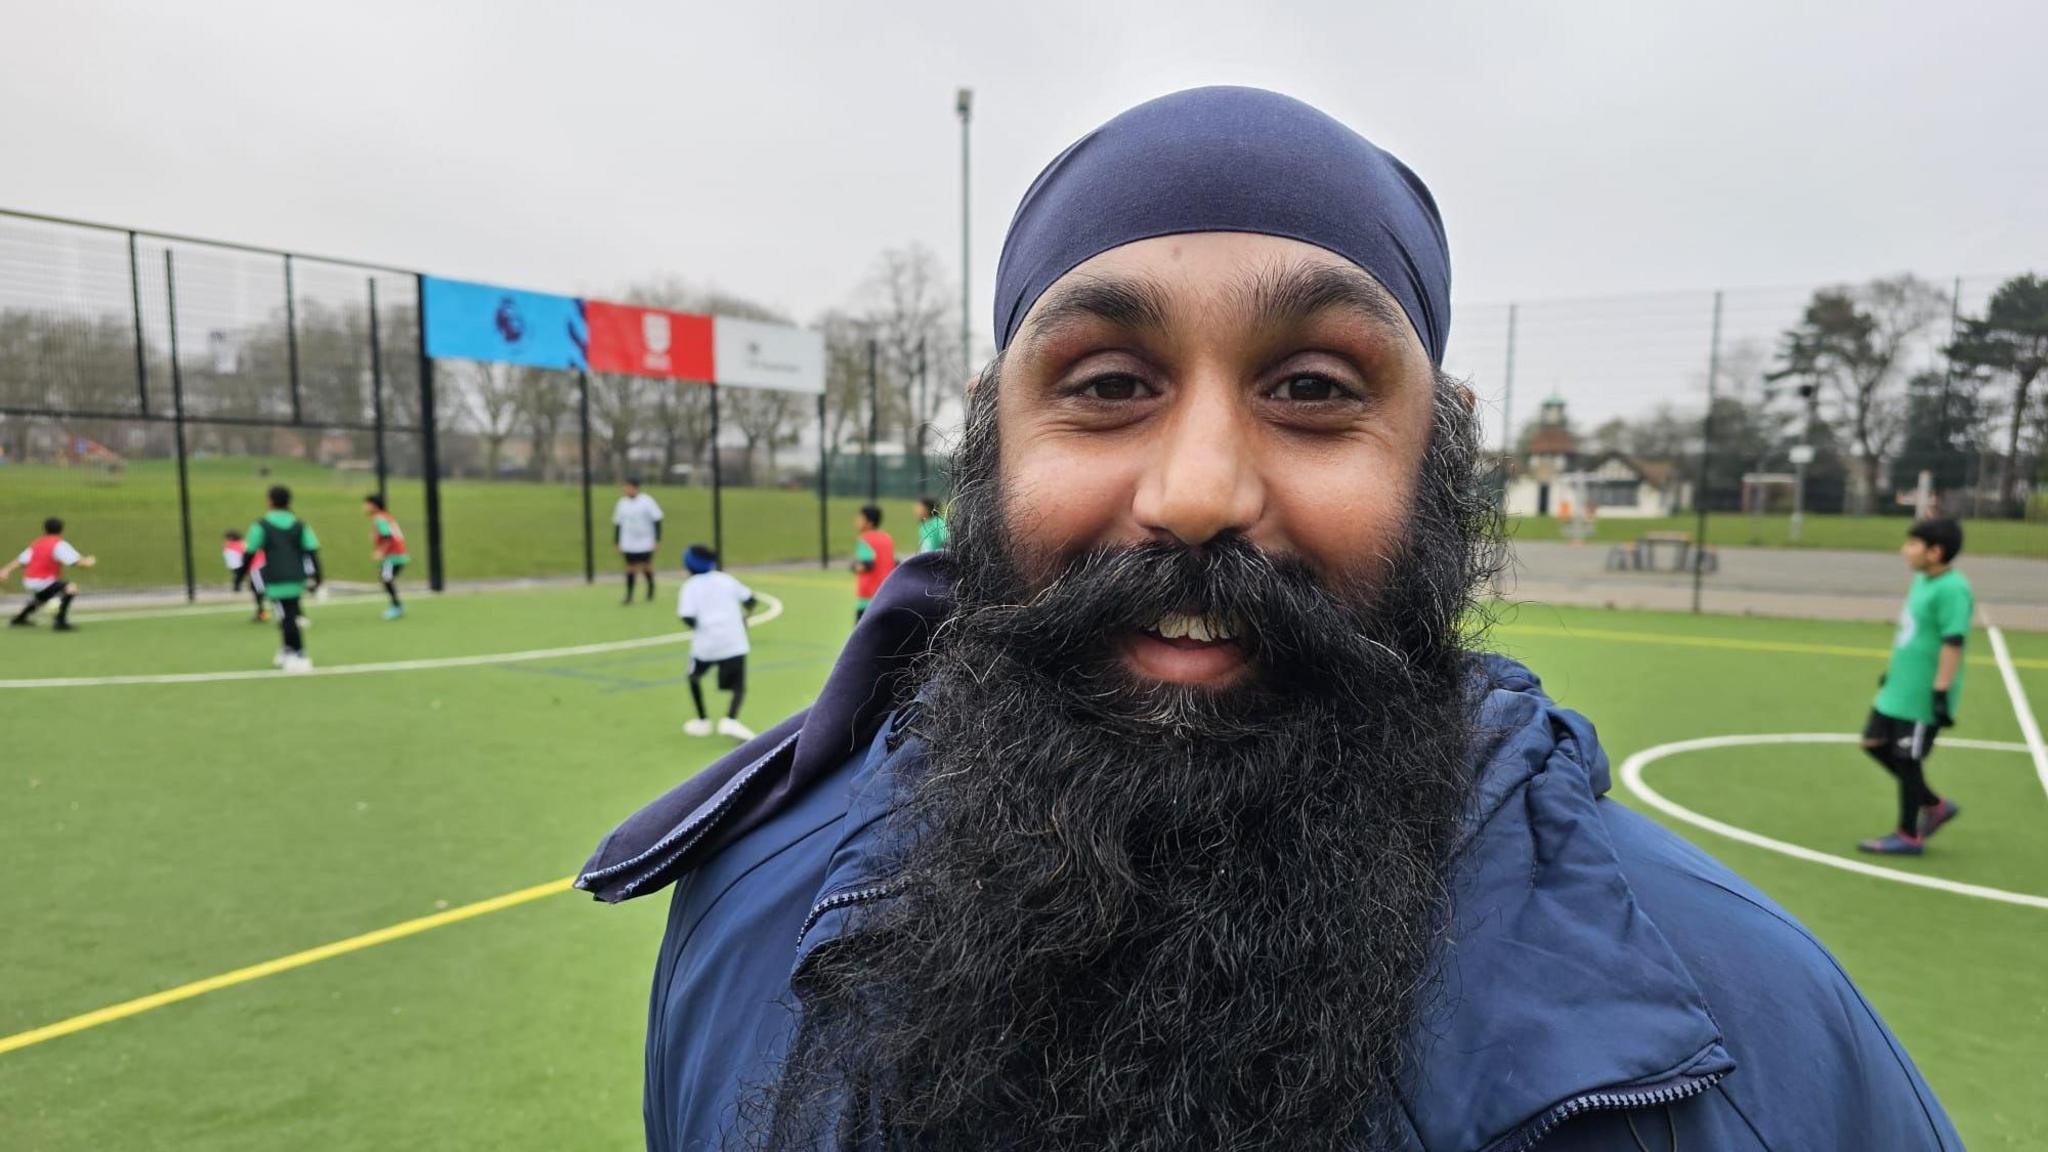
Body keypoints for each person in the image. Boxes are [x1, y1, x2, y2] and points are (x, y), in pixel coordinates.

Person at [580, 88, 1958, 1151]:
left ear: (1439, 455)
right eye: (1110, 382)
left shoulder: (1744, 1047)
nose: (1196, 494)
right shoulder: (751, 922)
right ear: (991, 444)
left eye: (1310, 387)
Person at [1857, 517, 1974, 856]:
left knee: (1907, 761)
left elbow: (1953, 643)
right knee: (1873, 742)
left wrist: (1940, 693)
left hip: (1922, 697)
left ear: (1935, 552)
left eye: (1912, 544)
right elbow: (1916, 635)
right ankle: (1935, 804)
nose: (1904, 550)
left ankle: (1909, 835)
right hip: (1898, 689)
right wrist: (1892, 673)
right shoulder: (1922, 580)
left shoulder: (1953, 589)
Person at [677, 544, 758, 741]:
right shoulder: (726, 580)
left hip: (706, 644)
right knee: (739, 686)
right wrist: (745, 617)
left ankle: (703, 721)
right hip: (734, 641)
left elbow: (687, 617)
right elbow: (750, 600)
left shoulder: (690, 586)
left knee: (693, 676)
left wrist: (701, 626)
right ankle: (730, 718)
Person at [244, 485, 322, 673]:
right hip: (296, 578)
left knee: (285, 618)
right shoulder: (300, 525)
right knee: (290, 615)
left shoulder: (261, 525)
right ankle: (288, 650)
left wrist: (239, 576)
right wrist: (318, 577)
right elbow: (312, 551)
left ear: (270, 501)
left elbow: (249, 552)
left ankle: (298, 654)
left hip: (276, 578)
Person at [3, 517, 95, 631]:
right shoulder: (59, 544)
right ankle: (60, 622)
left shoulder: (37, 543)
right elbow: (77, 562)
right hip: (43, 581)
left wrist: (6, 570)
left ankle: (19, 618)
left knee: (42, 597)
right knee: (71, 588)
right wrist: (89, 562)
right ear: (62, 530)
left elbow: (21, 560)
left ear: (45, 530)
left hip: (29, 580)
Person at [613, 477, 664, 605]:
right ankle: (629, 596)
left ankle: (650, 589)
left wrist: (657, 539)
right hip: (628, 541)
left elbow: (657, 519)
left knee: (646, 566)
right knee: (630, 568)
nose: (626, 489)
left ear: (635, 488)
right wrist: (617, 541)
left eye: (629, 487)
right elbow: (617, 523)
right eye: (625, 487)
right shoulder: (622, 503)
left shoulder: (647, 501)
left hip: (645, 540)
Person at [364, 494, 409, 620]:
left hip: (393, 555)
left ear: (373, 505)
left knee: (386, 579)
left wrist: (381, 551)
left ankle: (397, 607)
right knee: (386, 579)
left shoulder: (379, 518)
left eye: (366, 504)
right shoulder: (385, 517)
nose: (364, 507)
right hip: (397, 554)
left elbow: (387, 537)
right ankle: (397, 606)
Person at [849, 503, 894, 623]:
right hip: (885, 596)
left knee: (860, 638)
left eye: (860, 517)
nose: (857, 520)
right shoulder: (887, 538)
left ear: (869, 522)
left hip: (867, 599)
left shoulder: (865, 539)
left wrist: (853, 566)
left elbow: (866, 565)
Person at [224, 529, 268, 622]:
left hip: (256, 568)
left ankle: (263, 613)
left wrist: (238, 580)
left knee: (261, 591)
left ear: (230, 538)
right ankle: (262, 613)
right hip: (264, 565)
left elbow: (235, 565)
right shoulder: (244, 543)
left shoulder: (231, 547)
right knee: (259, 590)